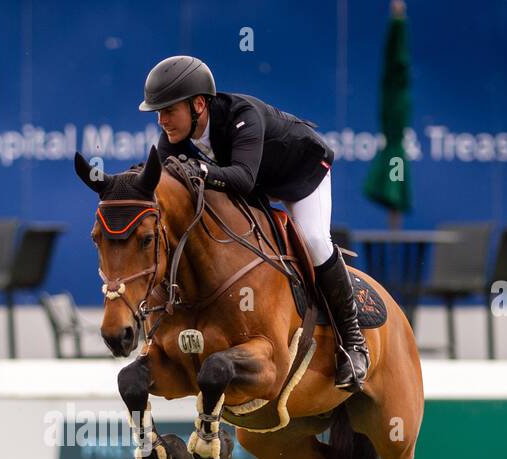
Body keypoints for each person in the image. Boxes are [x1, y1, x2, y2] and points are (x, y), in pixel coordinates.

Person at [140, 55, 368, 391]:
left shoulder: (241, 117)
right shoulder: (174, 136)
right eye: (157, 113)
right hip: (259, 182)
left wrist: (199, 171)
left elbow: (243, 179)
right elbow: (161, 181)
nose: (161, 120)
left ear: (198, 105)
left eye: (168, 110)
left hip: (301, 173)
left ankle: (353, 342)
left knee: (315, 240)